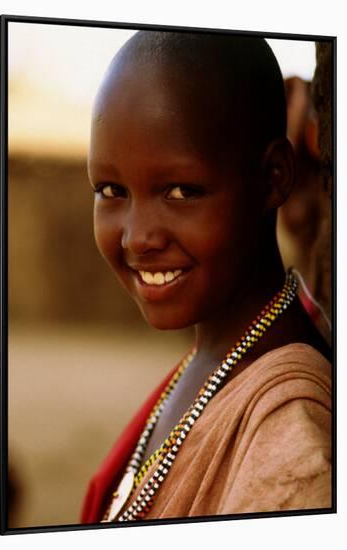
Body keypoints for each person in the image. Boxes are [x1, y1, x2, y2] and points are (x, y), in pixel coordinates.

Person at [80, 31, 332, 524]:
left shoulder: (290, 444)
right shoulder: (215, 354)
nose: (137, 238)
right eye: (111, 189)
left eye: (180, 191)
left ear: (274, 176)